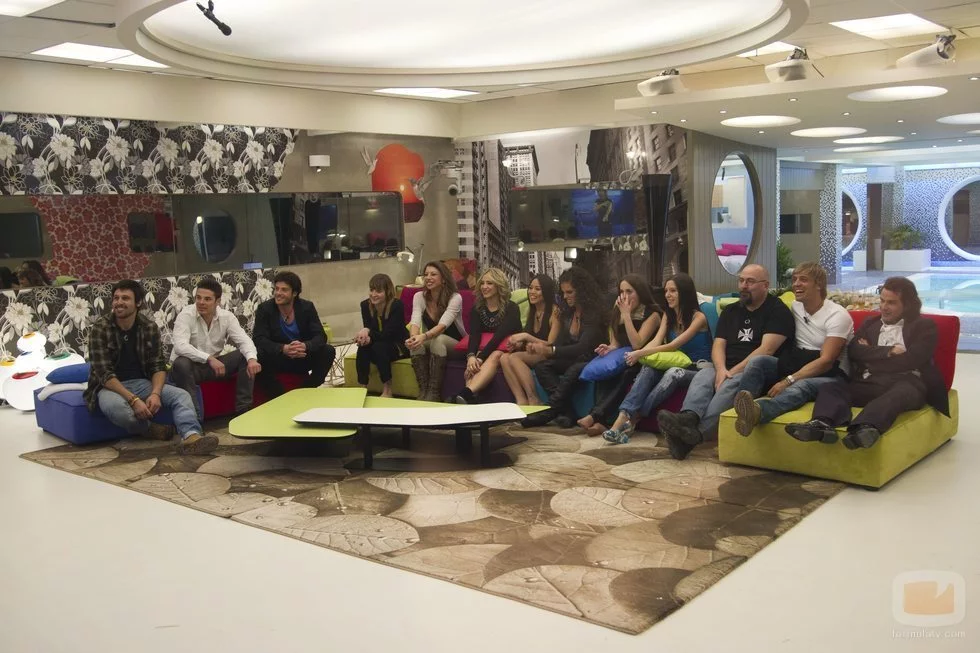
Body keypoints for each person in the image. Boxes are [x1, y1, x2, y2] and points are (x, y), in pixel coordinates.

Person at [784, 277, 948, 449]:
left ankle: (865, 428)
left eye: (891, 303)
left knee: (899, 393)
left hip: (908, 383)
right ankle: (822, 424)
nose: (884, 307)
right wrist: (888, 351)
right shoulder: (871, 323)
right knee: (832, 387)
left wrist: (871, 358)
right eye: (882, 301)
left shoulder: (924, 326)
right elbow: (854, 351)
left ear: (907, 305)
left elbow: (911, 360)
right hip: (871, 382)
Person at [657, 264, 794, 460]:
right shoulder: (731, 311)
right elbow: (718, 344)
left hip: (760, 372)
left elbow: (767, 350)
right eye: (741, 280)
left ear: (765, 285)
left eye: (750, 281)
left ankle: (697, 435)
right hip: (727, 367)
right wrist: (720, 369)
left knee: (732, 380)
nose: (744, 286)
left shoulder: (777, 311)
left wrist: (731, 372)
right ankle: (688, 418)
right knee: (705, 373)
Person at [83, 279, 216, 454]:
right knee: (119, 410)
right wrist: (133, 400)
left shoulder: (148, 327)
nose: (119, 302)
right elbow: (104, 374)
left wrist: (155, 393)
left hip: (141, 382)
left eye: (125, 298)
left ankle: (191, 436)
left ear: (138, 302)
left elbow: (158, 365)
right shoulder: (101, 328)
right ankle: (149, 429)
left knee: (181, 395)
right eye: (116, 298)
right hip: (110, 387)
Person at [731, 262, 853, 436]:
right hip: (796, 363)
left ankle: (759, 411)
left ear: (819, 285)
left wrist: (789, 380)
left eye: (803, 280)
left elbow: (826, 361)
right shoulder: (796, 306)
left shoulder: (837, 315)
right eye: (794, 279)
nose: (796, 284)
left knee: (801, 385)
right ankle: (738, 412)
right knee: (758, 362)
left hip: (831, 375)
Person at [602, 273, 712, 444]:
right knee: (649, 367)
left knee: (673, 373)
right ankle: (619, 422)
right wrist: (640, 355)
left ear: (685, 292)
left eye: (673, 291)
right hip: (675, 362)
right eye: (666, 290)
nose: (667, 295)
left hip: (697, 369)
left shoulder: (698, 318)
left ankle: (634, 418)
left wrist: (639, 354)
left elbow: (673, 345)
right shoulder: (668, 315)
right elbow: (656, 341)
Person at [519, 266, 607, 428]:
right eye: (563, 292)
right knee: (542, 366)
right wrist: (539, 346)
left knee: (573, 370)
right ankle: (567, 412)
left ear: (582, 291)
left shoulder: (593, 313)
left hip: (593, 357)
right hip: (574, 357)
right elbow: (559, 344)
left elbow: (583, 347)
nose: (565, 296)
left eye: (570, 292)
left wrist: (551, 350)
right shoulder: (567, 313)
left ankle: (548, 412)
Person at [576, 274, 662, 436]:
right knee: (605, 370)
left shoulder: (652, 314)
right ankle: (601, 422)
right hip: (623, 357)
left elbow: (637, 343)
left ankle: (595, 416)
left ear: (640, 292)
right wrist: (608, 348)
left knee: (626, 374)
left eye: (630, 291)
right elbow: (615, 343)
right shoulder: (618, 311)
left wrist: (627, 316)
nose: (625, 296)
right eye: (622, 292)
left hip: (642, 359)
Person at [170, 277, 262, 419]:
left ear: (218, 301)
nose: (201, 302)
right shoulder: (186, 315)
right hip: (188, 369)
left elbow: (244, 341)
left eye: (207, 299)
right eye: (198, 298)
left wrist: (252, 359)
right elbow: (180, 346)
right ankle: (194, 419)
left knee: (245, 355)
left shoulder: (227, 317)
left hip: (211, 368)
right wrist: (209, 358)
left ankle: (244, 411)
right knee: (181, 363)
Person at [252, 271, 335, 399]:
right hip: (279, 358)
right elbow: (259, 339)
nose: (278, 293)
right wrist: (283, 348)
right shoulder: (265, 309)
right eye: (276, 289)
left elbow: (320, 336)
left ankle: (307, 389)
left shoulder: (306, 307)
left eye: (284, 290)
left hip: (302, 356)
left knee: (328, 351)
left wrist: (305, 346)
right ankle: (277, 395)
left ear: (294, 293)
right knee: (258, 355)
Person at [453, 268, 522, 404]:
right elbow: (474, 335)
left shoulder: (512, 308)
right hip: (485, 349)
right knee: (475, 359)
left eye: (490, 283)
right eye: (482, 283)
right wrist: (471, 357)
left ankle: (466, 393)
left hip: (509, 348)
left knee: (496, 354)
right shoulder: (477, 308)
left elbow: (499, 336)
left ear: (499, 286)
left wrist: (480, 358)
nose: (484, 287)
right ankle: (468, 396)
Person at [406, 260, 466, 402]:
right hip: (432, 340)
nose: (428, 278)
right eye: (426, 274)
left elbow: (443, 325)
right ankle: (423, 390)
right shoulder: (419, 297)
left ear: (443, 278)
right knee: (416, 344)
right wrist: (414, 338)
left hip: (457, 345)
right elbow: (415, 320)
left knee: (438, 340)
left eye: (433, 274)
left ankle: (434, 393)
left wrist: (423, 336)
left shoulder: (455, 297)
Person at [500, 274, 561, 405]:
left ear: (546, 291)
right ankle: (521, 399)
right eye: (530, 288)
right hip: (534, 352)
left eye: (537, 289)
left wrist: (526, 337)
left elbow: (551, 345)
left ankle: (533, 398)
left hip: (550, 354)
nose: (532, 292)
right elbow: (529, 338)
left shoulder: (555, 312)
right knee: (504, 358)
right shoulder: (533, 310)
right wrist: (518, 345)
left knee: (514, 358)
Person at [355, 273, 409, 398]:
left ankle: (387, 388)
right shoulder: (365, 305)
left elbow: (389, 333)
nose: (373, 294)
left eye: (378, 291)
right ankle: (362, 386)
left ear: (387, 291)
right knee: (363, 347)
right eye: (371, 290)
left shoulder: (397, 305)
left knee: (379, 347)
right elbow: (369, 327)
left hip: (397, 345)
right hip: (378, 342)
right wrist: (364, 336)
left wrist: (369, 335)